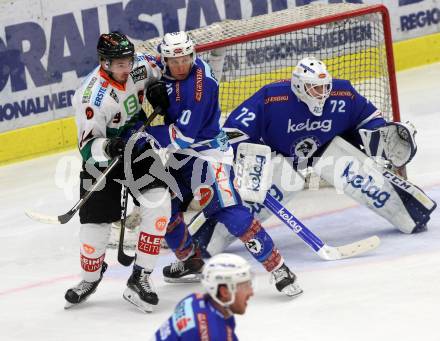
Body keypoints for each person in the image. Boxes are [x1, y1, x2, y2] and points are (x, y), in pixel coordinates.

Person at [192, 56, 437, 255]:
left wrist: (378, 135)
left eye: (324, 87)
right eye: (315, 87)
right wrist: (239, 165)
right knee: (274, 184)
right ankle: (203, 239)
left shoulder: (343, 94)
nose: (322, 93)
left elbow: (370, 119)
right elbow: (234, 133)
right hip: (278, 157)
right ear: (299, 85)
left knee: (345, 165)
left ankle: (411, 212)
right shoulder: (271, 98)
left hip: (326, 151)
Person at [141, 31, 302, 297]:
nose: (181, 66)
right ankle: (190, 261)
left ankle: (279, 269)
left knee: (232, 214)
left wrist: (140, 134)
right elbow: (148, 66)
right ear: (165, 59)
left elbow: (182, 137)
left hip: (208, 155)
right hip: (181, 157)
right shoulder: (167, 67)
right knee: (164, 212)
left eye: (185, 59)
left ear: (193, 56)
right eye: (175, 60)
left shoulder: (199, 88)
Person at [65, 31, 172, 313]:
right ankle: (90, 277)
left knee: (160, 203)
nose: (127, 67)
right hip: (102, 159)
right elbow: (87, 148)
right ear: (105, 62)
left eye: (128, 60)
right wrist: (110, 146)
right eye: (120, 63)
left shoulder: (139, 66)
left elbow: (164, 65)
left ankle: (141, 278)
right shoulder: (92, 97)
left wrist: (159, 87)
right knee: (93, 229)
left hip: (136, 145)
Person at [152, 253, 254, 341]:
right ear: (224, 292)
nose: (251, 292)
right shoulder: (214, 334)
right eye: (245, 286)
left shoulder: (194, 299)